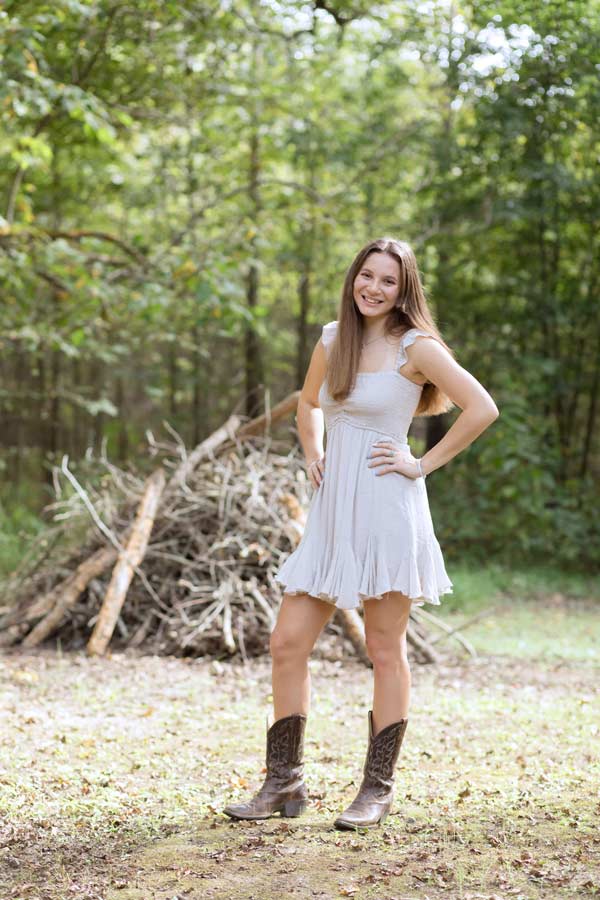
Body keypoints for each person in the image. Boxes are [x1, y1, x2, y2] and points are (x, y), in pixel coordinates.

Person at [223, 236, 499, 830]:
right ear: (354, 278)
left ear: (405, 290)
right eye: (366, 276)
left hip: (386, 506)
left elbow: (481, 408)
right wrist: (314, 451)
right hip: (332, 510)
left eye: (388, 281)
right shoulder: (333, 339)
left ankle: (376, 789)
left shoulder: (416, 347)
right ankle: (284, 782)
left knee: (382, 647)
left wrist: (421, 464)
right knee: (287, 641)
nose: (373, 288)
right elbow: (308, 404)